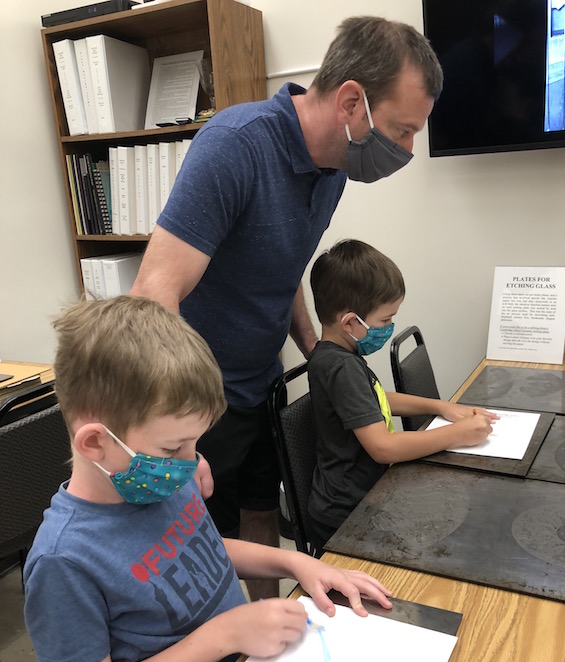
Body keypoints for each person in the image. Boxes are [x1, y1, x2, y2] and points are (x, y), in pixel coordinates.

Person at [23, 296, 392, 662]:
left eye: (195, 443)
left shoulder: (155, 479)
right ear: (94, 444)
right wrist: (222, 635)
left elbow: (204, 548)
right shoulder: (63, 563)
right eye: (173, 449)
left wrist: (293, 560)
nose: (191, 463)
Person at [130, 16, 444, 598]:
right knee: (190, 549)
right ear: (353, 101)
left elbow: (284, 268)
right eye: (401, 131)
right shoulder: (236, 145)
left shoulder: (335, 167)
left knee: (261, 517)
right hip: (202, 399)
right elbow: (153, 295)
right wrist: (177, 430)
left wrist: (318, 350)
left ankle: (267, 649)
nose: (404, 150)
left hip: (260, 383)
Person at [307, 239, 498, 553]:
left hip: (358, 497)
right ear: (350, 322)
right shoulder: (341, 367)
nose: (389, 327)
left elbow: (375, 399)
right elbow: (382, 447)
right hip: (347, 515)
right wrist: (457, 434)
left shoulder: (332, 356)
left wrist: (442, 407)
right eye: (384, 320)